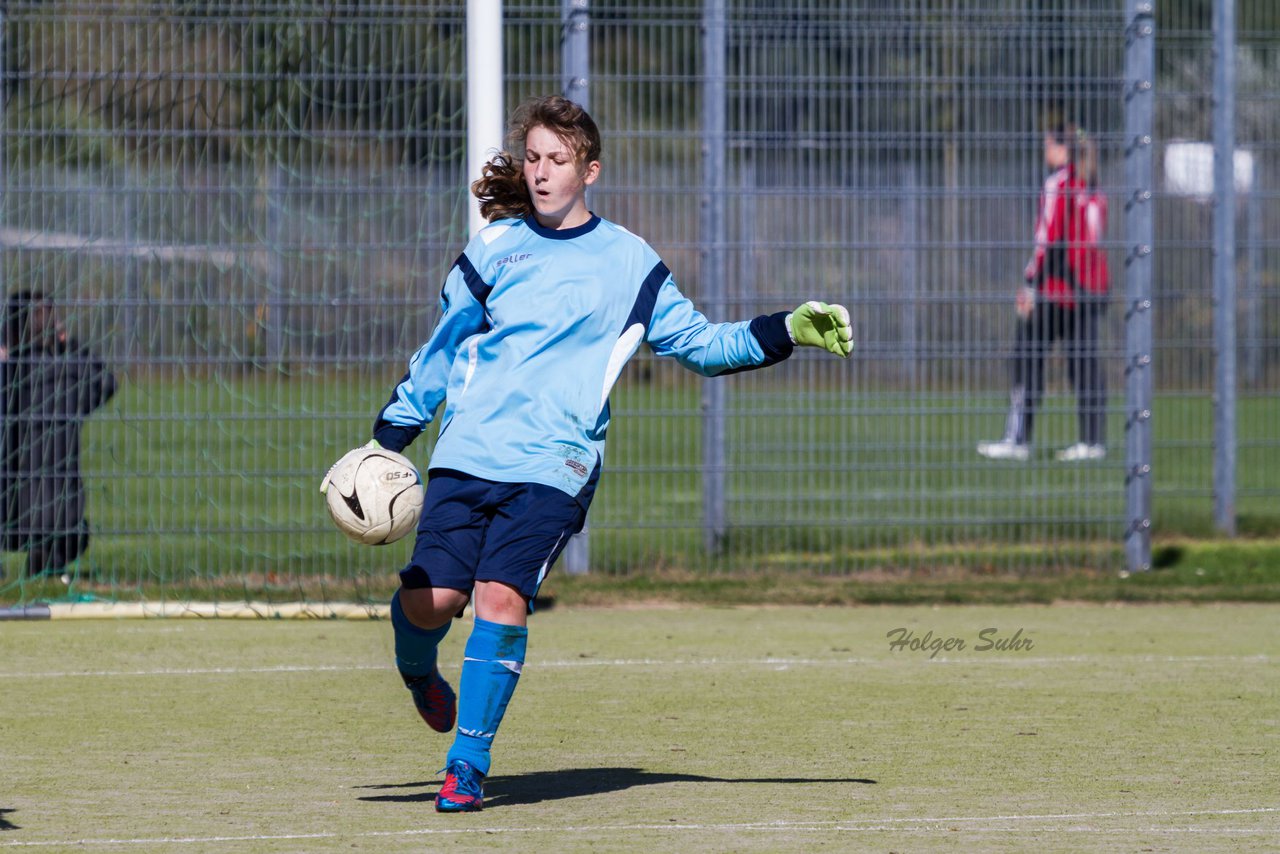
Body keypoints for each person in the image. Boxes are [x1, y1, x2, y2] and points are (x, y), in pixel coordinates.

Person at [328, 95, 852, 812]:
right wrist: (389, 437)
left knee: (499, 597)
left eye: (558, 160)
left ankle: (468, 763)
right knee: (430, 601)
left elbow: (700, 345)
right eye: (533, 158)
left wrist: (785, 328)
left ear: (590, 171)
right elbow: (442, 352)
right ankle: (418, 671)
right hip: (468, 453)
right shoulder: (495, 248)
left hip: (556, 466)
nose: (541, 173)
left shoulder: (630, 263)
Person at [978, 121, 1110, 462]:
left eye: (1048, 144)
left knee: (1026, 359)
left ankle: (1017, 440)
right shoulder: (1092, 185)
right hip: (1088, 291)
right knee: (1084, 364)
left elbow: (1047, 240)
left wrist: (1029, 284)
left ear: (1061, 148)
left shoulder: (1059, 184)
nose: (1044, 150)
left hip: (1055, 288)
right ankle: (1092, 443)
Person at [0, 290, 118, 577]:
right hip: (62, 515)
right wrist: (69, 347)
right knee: (70, 523)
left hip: (9, 516)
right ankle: (48, 566)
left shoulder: (10, 373)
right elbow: (107, 383)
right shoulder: (74, 369)